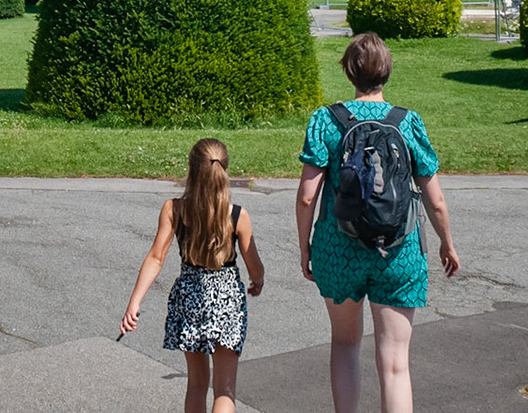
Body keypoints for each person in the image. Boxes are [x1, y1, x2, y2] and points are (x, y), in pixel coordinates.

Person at [296, 33, 459, 413]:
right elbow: (434, 200)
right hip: (398, 252)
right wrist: (446, 243)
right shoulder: (408, 123)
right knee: (396, 362)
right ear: (386, 71)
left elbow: (307, 196)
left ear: (349, 71)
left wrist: (306, 247)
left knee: (345, 344)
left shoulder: (327, 120)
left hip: (338, 250)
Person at [121, 138, 265, 413]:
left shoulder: (174, 209)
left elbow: (156, 257)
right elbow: (254, 265)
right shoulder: (236, 215)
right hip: (227, 300)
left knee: (197, 384)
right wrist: (258, 281)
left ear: (191, 170)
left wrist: (135, 302)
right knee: (224, 390)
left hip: (189, 296)